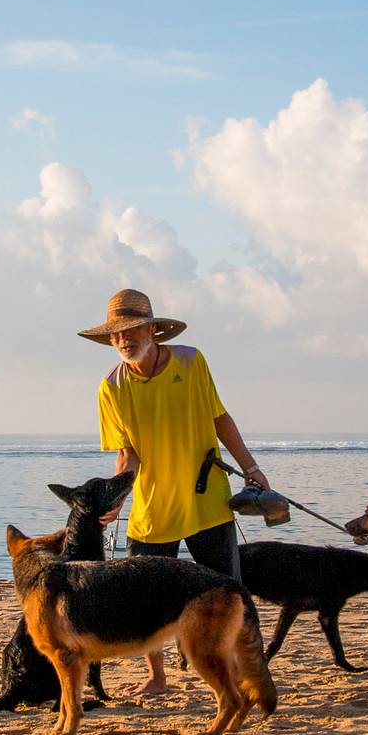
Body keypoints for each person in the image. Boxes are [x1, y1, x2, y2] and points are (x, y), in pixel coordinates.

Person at [79, 288, 268, 695]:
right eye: (115, 335)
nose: (123, 340)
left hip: (206, 501)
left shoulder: (191, 361)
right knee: (146, 600)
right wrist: (116, 498)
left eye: (131, 330)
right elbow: (127, 455)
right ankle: (157, 677)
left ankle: (242, 668)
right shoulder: (110, 388)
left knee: (228, 591)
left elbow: (219, 417)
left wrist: (251, 468)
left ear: (152, 329)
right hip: (153, 508)